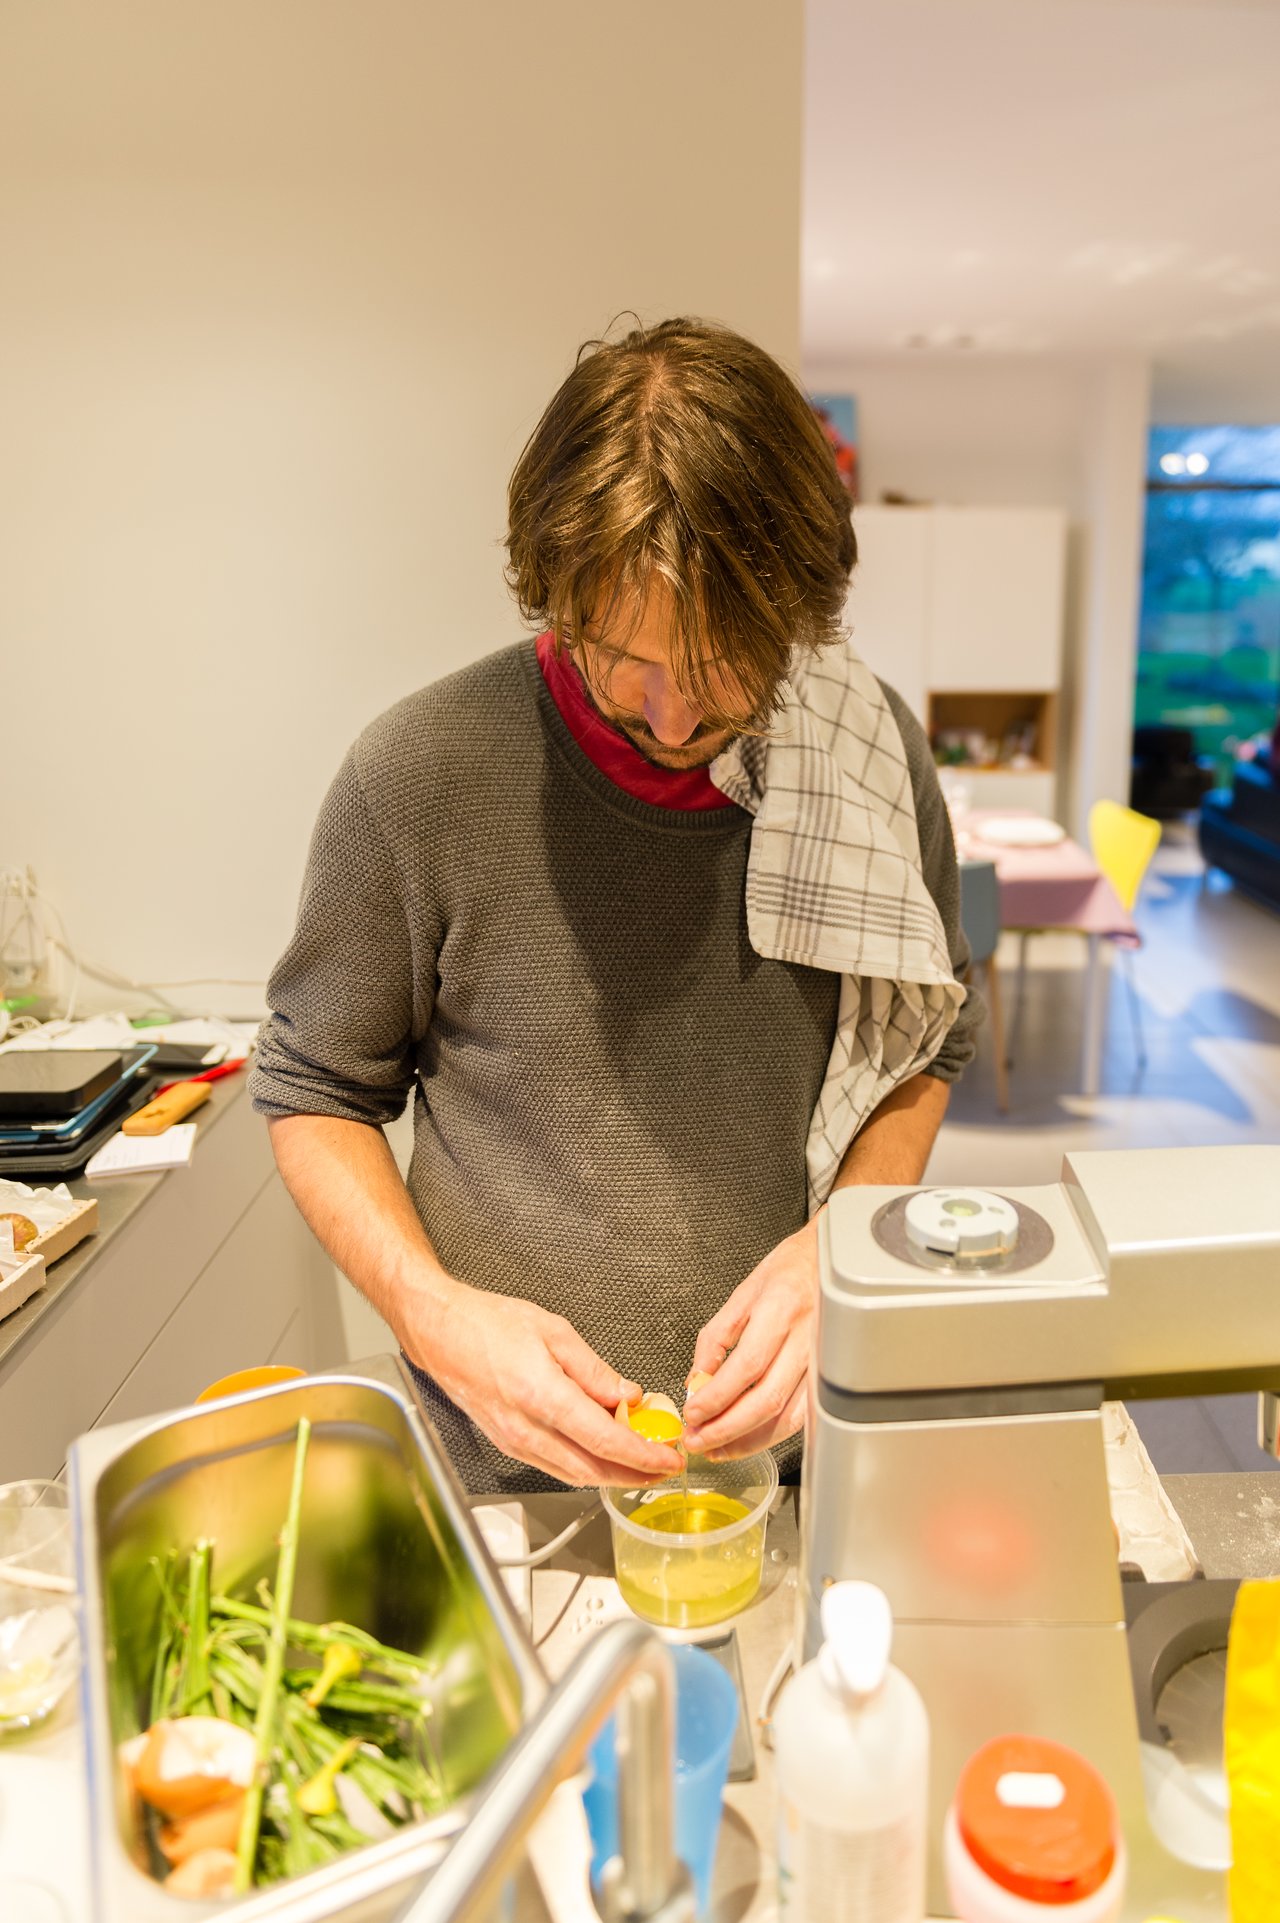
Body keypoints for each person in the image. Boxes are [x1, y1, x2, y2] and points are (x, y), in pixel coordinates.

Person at [250, 317, 981, 1496]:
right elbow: (311, 1090)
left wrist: (838, 1247)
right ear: (552, 594)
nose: (679, 717)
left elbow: (932, 1037)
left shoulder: (868, 750)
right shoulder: (417, 776)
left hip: (804, 1463)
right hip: (501, 1470)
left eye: (726, 661)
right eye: (626, 654)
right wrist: (436, 1317)